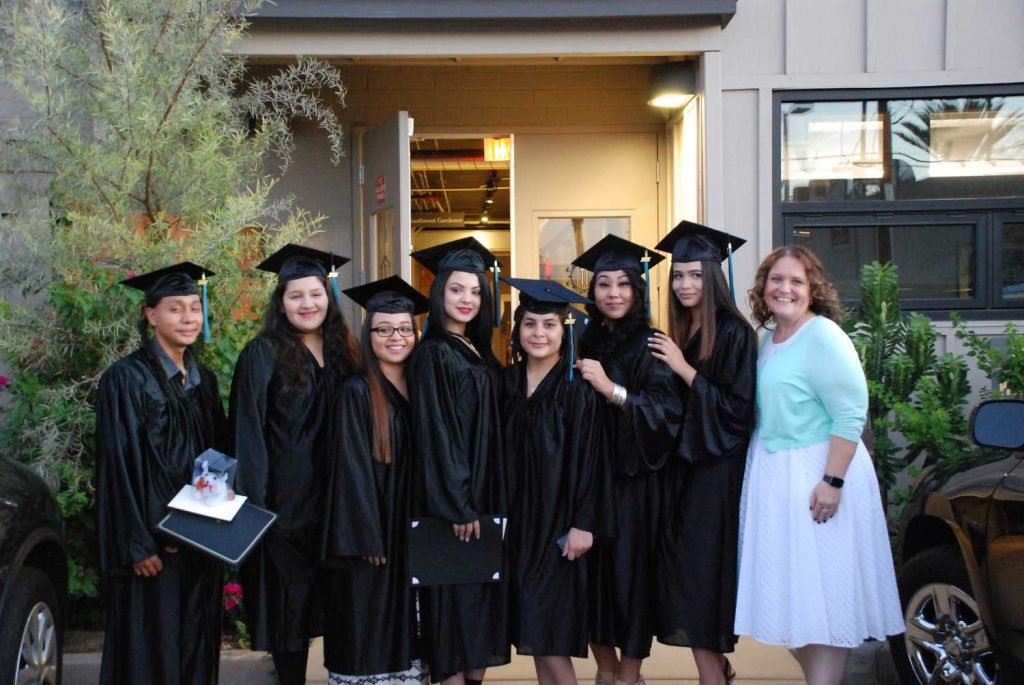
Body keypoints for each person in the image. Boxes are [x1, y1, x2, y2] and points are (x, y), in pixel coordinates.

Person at [734, 245, 903, 685]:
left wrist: (832, 480)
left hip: (819, 477)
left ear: (813, 289)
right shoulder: (769, 339)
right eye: (776, 279)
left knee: (827, 599)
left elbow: (851, 412)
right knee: (799, 601)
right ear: (763, 287)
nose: (784, 288)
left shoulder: (824, 335)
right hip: (778, 476)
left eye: (796, 281)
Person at [230, 244, 361, 685]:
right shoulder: (262, 354)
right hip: (283, 512)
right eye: (296, 296)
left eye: (316, 294)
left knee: (334, 607)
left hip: (334, 507)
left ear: (330, 297)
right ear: (280, 303)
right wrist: (258, 509)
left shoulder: (344, 351)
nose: (308, 304)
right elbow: (247, 435)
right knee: (290, 619)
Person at [96, 262, 226, 685]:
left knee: (194, 644)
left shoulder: (202, 380)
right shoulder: (126, 378)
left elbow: (217, 457)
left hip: (197, 539)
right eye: (176, 309)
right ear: (151, 315)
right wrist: (138, 544)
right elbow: (118, 465)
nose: (189, 318)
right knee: (150, 648)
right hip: (151, 546)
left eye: (194, 307)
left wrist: (212, 524)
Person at [647, 222, 757, 685]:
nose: (685, 284)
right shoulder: (685, 328)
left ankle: (712, 675)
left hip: (715, 474)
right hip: (684, 473)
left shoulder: (734, 332)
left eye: (694, 274)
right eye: (678, 275)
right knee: (687, 579)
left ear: (713, 275)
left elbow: (737, 412)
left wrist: (683, 368)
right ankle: (715, 670)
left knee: (703, 579)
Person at [571, 235, 683, 685]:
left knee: (632, 584)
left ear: (637, 290)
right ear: (592, 291)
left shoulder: (653, 342)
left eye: (623, 283)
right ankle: (608, 670)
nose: (613, 293)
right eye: (603, 284)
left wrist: (612, 390)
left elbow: (666, 413)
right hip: (587, 482)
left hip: (636, 486)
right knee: (590, 583)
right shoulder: (580, 337)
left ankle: (629, 674)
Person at [500, 278, 614, 685]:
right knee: (535, 632)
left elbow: (591, 460)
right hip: (518, 526)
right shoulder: (507, 382)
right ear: (518, 330)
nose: (538, 334)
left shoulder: (576, 387)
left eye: (549, 325)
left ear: (564, 329)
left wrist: (584, 524)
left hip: (559, 526)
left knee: (550, 636)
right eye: (530, 324)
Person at [407, 237, 510, 685]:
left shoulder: (477, 351)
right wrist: (457, 503)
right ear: (439, 292)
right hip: (456, 507)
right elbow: (437, 434)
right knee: (451, 614)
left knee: (477, 613)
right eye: (456, 290)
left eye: (474, 291)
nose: (466, 299)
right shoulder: (433, 354)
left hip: (481, 498)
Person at [321, 275, 430, 685]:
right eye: (384, 329)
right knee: (369, 629)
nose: (396, 337)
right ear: (369, 334)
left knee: (408, 633)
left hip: (411, 533)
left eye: (404, 328)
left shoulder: (421, 386)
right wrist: (366, 536)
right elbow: (349, 470)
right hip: (374, 538)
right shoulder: (356, 391)